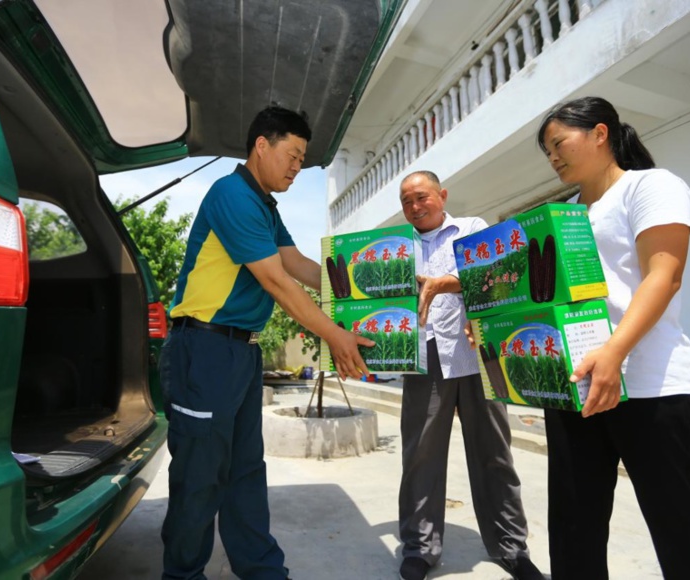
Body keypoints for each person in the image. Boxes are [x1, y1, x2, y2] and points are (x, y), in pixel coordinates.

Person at [159, 105, 373, 580]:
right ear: (262, 145)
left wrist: (363, 296)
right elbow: (277, 282)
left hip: (241, 353)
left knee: (245, 471)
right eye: (293, 155)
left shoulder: (263, 205)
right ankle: (182, 575)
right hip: (205, 351)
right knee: (199, 477)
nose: (298, 167)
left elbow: (297, 264)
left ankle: (261, 570)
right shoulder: (232, 195)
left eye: (302, 159)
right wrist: (335, 334)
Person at [536, 96, 690, 579]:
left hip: (653, 388)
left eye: (559, 143)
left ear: (600, 134)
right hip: (578, 390)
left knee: (680, 526)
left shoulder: (650, 187)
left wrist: (615, 351)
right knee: (574, 528)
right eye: (547, 152)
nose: (553, 157)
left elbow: (663, 276)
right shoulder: (564, 212)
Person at [396, 171, 544, 580]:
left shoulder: (474, 229)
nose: (415, 206)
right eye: (407, 201)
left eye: (422, 197)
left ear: (442, 196)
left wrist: (449, 285)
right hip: (425, 358)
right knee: (421, 455)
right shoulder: (399, 247)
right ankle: (419, 548)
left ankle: (511, 548)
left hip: (477, 353)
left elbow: (494, 273)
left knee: (494, 452)